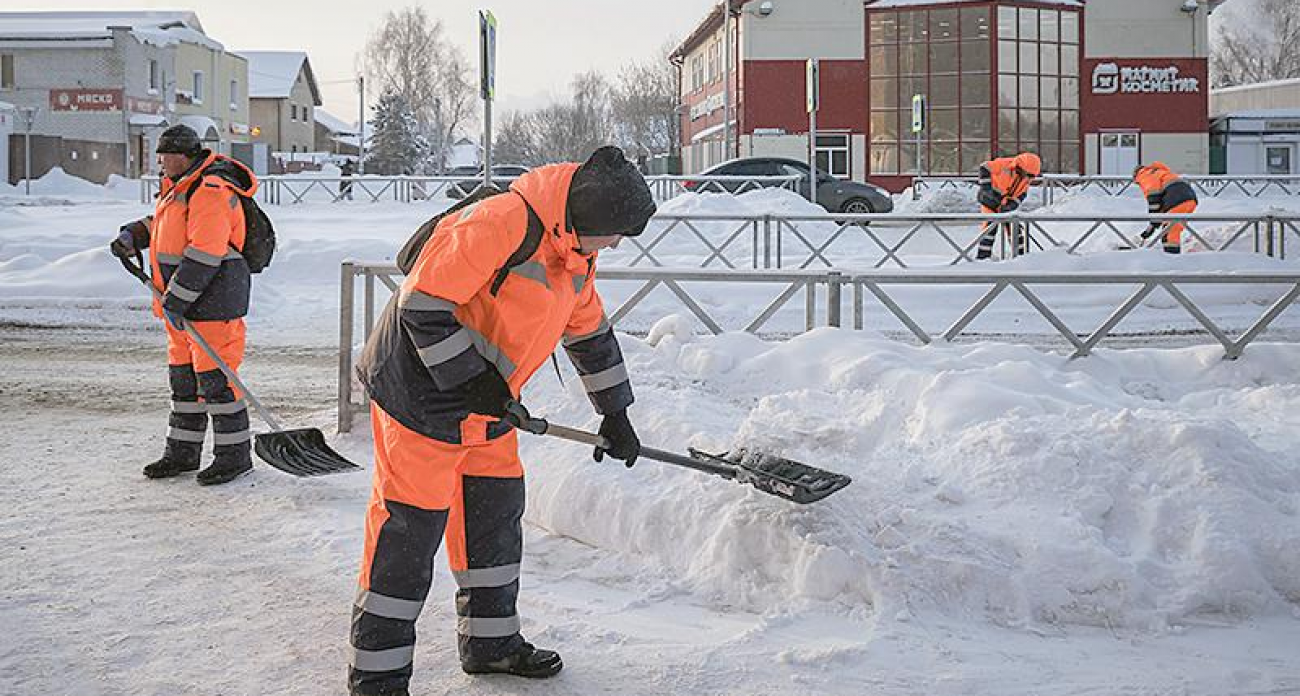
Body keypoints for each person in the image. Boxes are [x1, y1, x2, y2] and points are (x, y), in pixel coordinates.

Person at [347, 146, 655, 696]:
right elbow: (422, 306)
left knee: (493, 512)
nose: (614, 246)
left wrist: (616, 413)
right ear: (591, 219)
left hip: (486, 402)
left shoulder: (573, 252)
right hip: (420, 395)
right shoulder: (500, 222)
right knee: (410, 530)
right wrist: (473, 380)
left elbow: (589, 334)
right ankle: (378, 675)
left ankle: (491, 644)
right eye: (614, 234)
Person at [108, 124, 259, 486]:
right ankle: (183, 453)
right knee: (184, 383)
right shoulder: (179, 187)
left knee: (217, 383)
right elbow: (164, 224)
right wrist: (134, 235)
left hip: (213, 303)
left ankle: (234, 456)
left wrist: (176, 299)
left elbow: (205, 252)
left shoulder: (210, 190)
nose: (161, 161)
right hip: (181, 306)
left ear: (187, 155)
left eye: (168, 154)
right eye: (160, 155)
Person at [974, 152, 1041, 260]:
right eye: (1027, 174)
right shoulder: (1004, 164)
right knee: (989, 229)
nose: (1028, 178)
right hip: (989, 201)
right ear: (1021, 167)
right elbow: (984, 167)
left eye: (1031, 176)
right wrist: (986, 189)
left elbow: (1022, 194)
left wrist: (1012, 205)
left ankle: (1020, 258)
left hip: (1006, 205)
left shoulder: (1026, 179)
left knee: (1015, 230)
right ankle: (982, 258)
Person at [1133, 162, 1197, 254]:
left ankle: (1171, 260)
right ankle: (1173, 257)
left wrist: (1154, 221)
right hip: (1190, 200)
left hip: (1177, 200)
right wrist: (1152, 226)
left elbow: (1154, 201)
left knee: (1169, 232)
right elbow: (1160, 205)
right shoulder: (1159, 172)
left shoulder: (1144, 175)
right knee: (1173, 227)